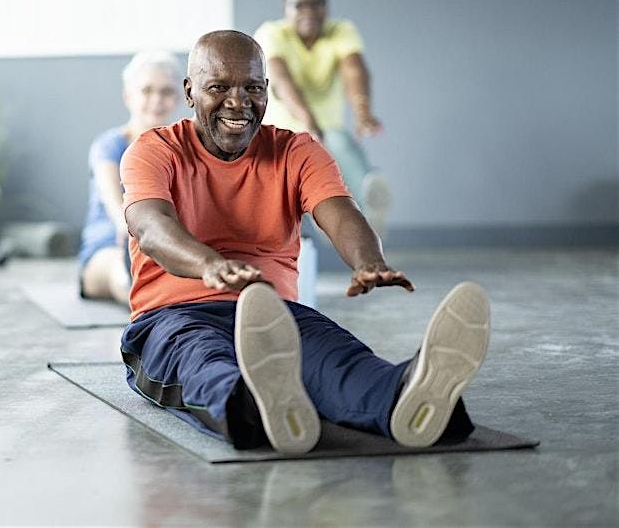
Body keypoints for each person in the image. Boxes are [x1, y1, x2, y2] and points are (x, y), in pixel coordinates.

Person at [119, 30, 490, 452]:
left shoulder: (296, 150)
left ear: (266, 91)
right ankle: (258, 406)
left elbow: (341, 212)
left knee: (344, 364)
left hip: (274, 317)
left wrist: (368, 260)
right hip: (175, 316)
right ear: (190, 91)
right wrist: (209, 265)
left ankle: (409, 395)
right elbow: (151, 227)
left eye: (252, 88)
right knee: (205, 365)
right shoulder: (153, 151)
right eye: (218, 87)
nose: (238, 102)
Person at [254, 0, 391, 236]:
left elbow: (354, 70)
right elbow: (281, 82)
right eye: (299, 5)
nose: (309, 11)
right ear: (286, 8)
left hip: (327, 133)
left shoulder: (340, 30)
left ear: (326, 5)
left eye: (317, 3)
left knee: (339, 147)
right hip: (278, 136)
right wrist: (309, 123)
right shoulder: (271, 33)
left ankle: (367, 204)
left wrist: (363, 113)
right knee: (288, 195)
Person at [79, 51, 182, 304]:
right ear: (128, 96)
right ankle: (149, 304)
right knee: (123, 271)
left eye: (166, 92)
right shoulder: (110, 145)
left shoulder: (181, 148)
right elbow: (118, 211)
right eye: (147, 90)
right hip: (110, 248)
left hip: (162, 245)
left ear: (178, 98)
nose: (156, 100)